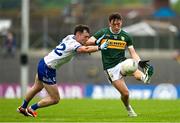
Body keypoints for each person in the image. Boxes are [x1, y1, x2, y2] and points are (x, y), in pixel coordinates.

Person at [17, 24, 108, 117]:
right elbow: (84, 49)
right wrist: (99, 47)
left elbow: (85, 45)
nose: (87, 39)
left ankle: (23, 107)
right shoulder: (74, 44)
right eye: (85, 37)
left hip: (44, 62)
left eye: (88, 37)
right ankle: (32, 108)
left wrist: (96, 42)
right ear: (78, 34)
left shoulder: (69, 37)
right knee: (55, 99)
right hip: (48, 68)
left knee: (37, 87)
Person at [86, 12, 154, 117]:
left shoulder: (126, 36)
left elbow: (133, 53)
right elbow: (87, 42)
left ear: (121, 22)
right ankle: (129, 109)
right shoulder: (103, 33)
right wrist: (97, 42)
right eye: (114, 24)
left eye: (119, 24)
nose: (117, 26)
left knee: (132, 64)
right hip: (110, 68)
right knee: (126, 94)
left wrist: (139, 62)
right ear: (110, 23)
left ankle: (145, 78)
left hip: (122, 62)